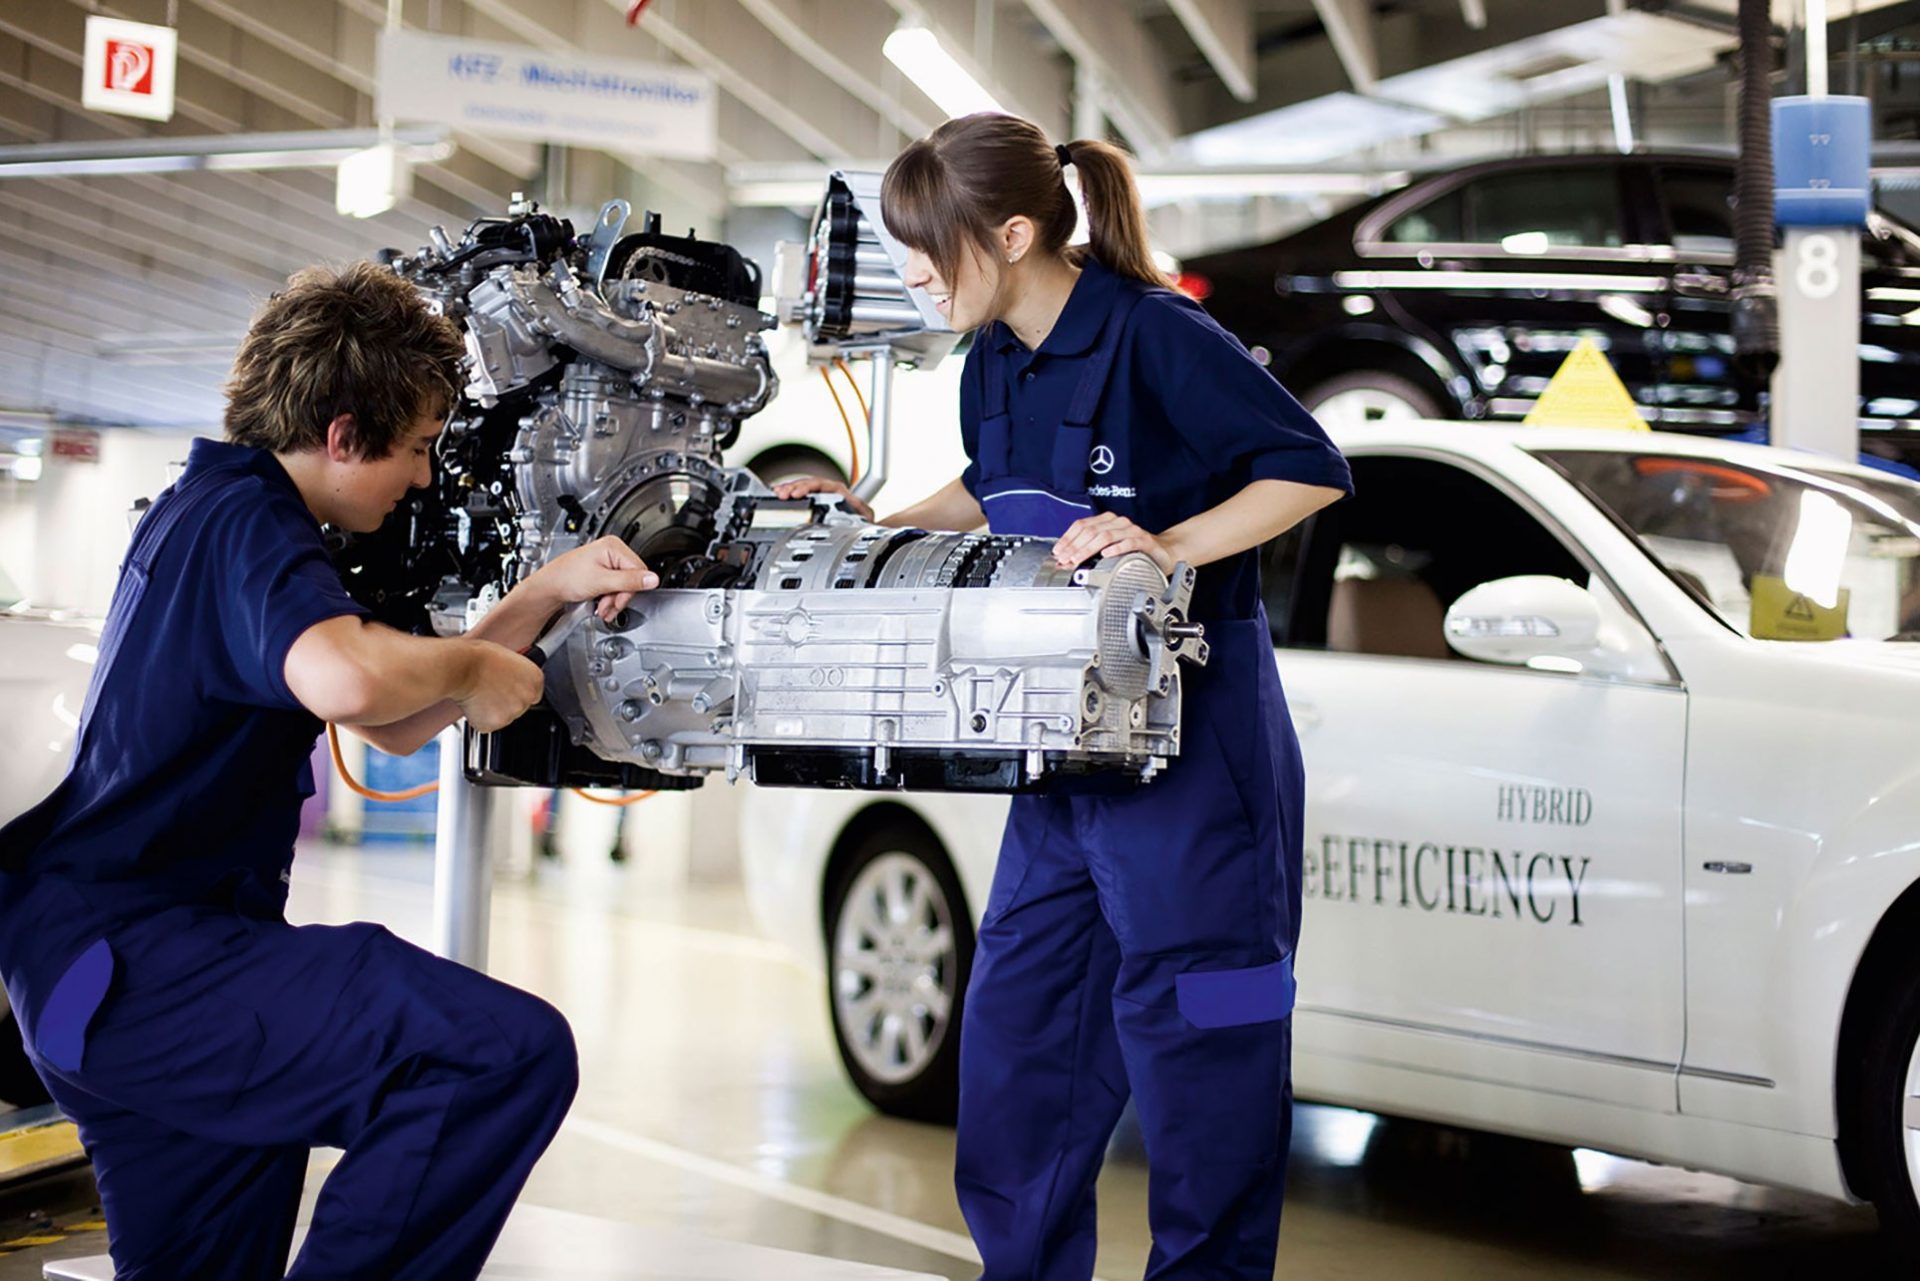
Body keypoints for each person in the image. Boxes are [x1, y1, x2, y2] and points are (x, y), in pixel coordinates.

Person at [0, 261, 660, 1280]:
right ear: (345, 436)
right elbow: (350, 678)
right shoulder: (245, 521)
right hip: (149, 969)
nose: (428, 479)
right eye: (419, 447)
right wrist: (476, 665)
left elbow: (394, 720)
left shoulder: (213, 514)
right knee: (496, 1057)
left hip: (92, 994)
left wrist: (543, 596)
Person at [778, 114, 1353, 1278]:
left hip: (1196, 749)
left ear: (1017, 232)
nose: (911, 275)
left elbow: (1308, 468)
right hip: (1063, 753)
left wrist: (1166, 543)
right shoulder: (995, 348)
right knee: (1021, 1047)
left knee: (1205, 1058)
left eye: (926, 250)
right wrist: (869, 518)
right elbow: (1000, 494)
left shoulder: (1159, 334)